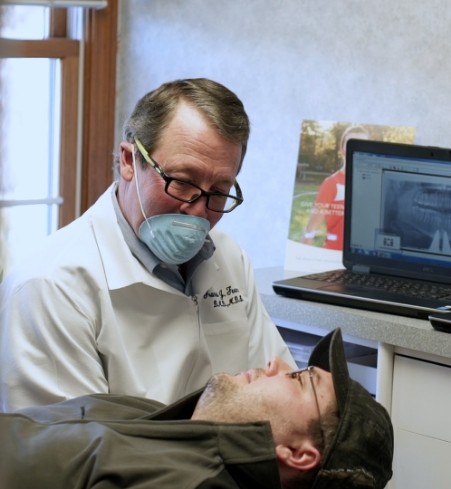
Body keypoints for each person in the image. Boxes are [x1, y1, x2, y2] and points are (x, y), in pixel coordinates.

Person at [0, 78, 295, 412]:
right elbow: (76, 453)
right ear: (129, 161)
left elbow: (277, 396)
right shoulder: (50, 288)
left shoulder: (229, 259)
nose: (198, 210)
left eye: (219, 192)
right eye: (182, 182)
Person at [0, 328, 394, 489]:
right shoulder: (161, 420)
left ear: (297, 454)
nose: (276, 364)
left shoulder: (187, 482)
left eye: (298, 379)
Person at [302, 125, 369, 250]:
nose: (356, 150)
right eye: (351, 144)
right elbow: (311, 228)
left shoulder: (374, 184)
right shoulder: (331, 183)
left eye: (362, 144)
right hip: (333, 256)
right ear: (341, 150)